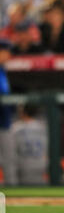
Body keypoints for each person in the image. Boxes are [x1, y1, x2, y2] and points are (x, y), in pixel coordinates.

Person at [12, 104, 48, 185]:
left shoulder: (16, 128)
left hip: (24, 166)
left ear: (23, 112)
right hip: (41, 166)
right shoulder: (43, 126)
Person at [0, 38, 17, 185]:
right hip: (2, 122)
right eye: (5, 52)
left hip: (5, 123)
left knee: (9, 160)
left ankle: (12, 190)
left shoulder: (3, 71)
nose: (8, 55)